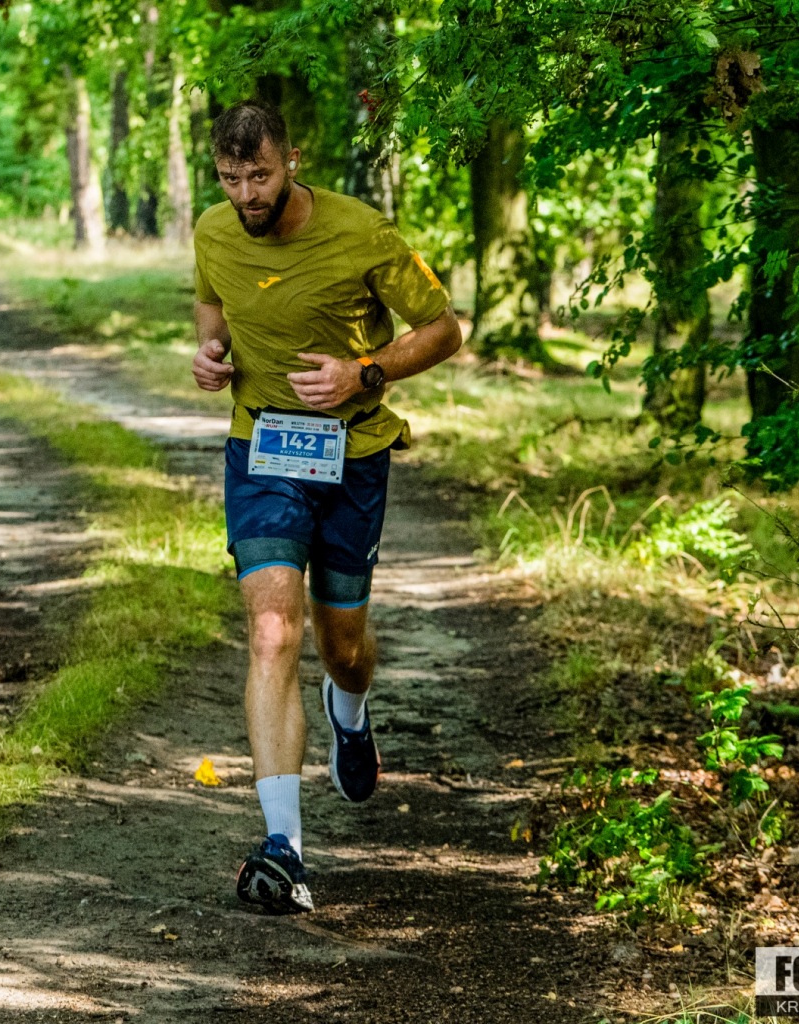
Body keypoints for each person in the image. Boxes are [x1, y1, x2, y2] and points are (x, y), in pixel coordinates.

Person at [191, 99, 464, 914]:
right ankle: (285, 848)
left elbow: (444, 328)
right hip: (261, 451)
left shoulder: (361, 231)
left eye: (260, 175)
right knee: (273, 631)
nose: (247, 194)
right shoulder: (213, 232)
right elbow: (213, 306)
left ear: (292, 161)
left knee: (342, 646)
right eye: (231, 178)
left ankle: (349, 707)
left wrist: (363, 373)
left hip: (353, 455)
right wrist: (210, 354)